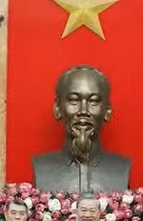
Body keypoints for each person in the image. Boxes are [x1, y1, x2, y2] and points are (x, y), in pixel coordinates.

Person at [32, 64, 131, 192]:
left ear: (108, 110)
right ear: (57, 108)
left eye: (93, 101)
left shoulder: (121, 167)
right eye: (73, 100)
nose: (83, 111)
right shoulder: (41, 166)